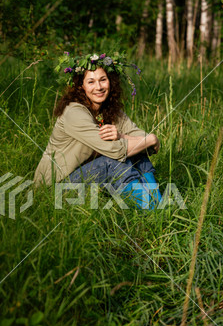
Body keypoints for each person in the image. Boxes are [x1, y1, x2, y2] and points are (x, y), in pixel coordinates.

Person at [34, 52, 162, 210]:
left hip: (85, 174)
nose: (99, 87)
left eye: (103, 80)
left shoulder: (109, 111)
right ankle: (150, 208)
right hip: (55, 187)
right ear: (81, 86)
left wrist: (123, 136)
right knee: (113, 162)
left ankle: (158, 205)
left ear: (110, 82)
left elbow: (143, 140)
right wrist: (151, 139)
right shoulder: (74, 113)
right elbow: (118, 150)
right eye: (91, 82)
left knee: (138, 153)